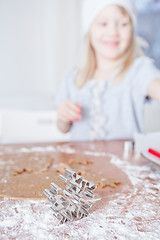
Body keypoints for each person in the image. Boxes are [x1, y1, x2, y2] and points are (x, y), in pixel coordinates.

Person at [54, 0, 160, 141]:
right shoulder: (73, 78)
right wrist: (63, 118)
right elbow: (63, 129)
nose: (113, 32)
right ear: (89, 28)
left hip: (125, 162)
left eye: (123, 24)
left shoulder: (138, 71)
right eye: (103, 23)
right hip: (80, 161)